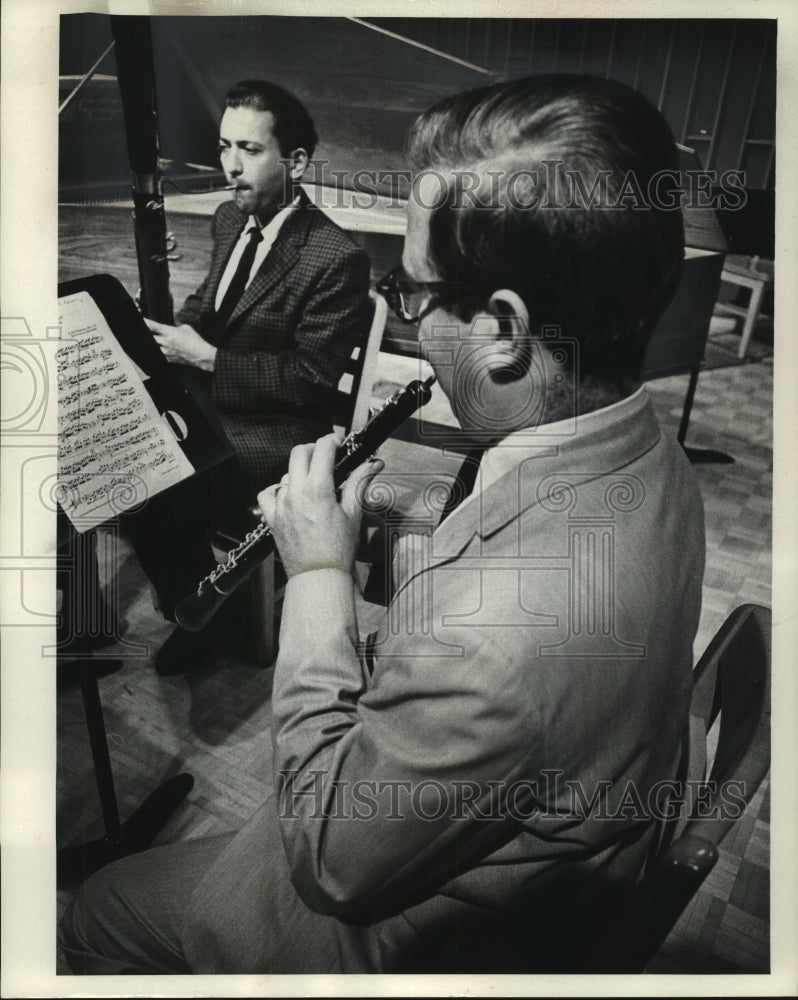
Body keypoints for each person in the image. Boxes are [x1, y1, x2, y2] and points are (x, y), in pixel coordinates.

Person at [59, 74, 705, 973]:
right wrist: (393, 528)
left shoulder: (493, 650)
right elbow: (499, 567)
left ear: (506, 330)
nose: (410, 323)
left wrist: (318, 577)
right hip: (523, 827)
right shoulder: (647, 451)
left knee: (95, 908)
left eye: (414, 296)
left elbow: (329, 861)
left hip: (391, 924)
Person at [124, 80, 372, 673]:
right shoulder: (227, 220)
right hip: (218, 403)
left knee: (166, 476)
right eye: (223, 146)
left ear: (296, 162)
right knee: (132, 455)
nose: (230, 166)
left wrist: (205, 358)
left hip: (281, 429)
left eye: (250, 150)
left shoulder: (334, 256)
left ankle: (198, 609)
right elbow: (205, 310)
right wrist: (156, 326)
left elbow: (311, 382)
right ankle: (193, 595)